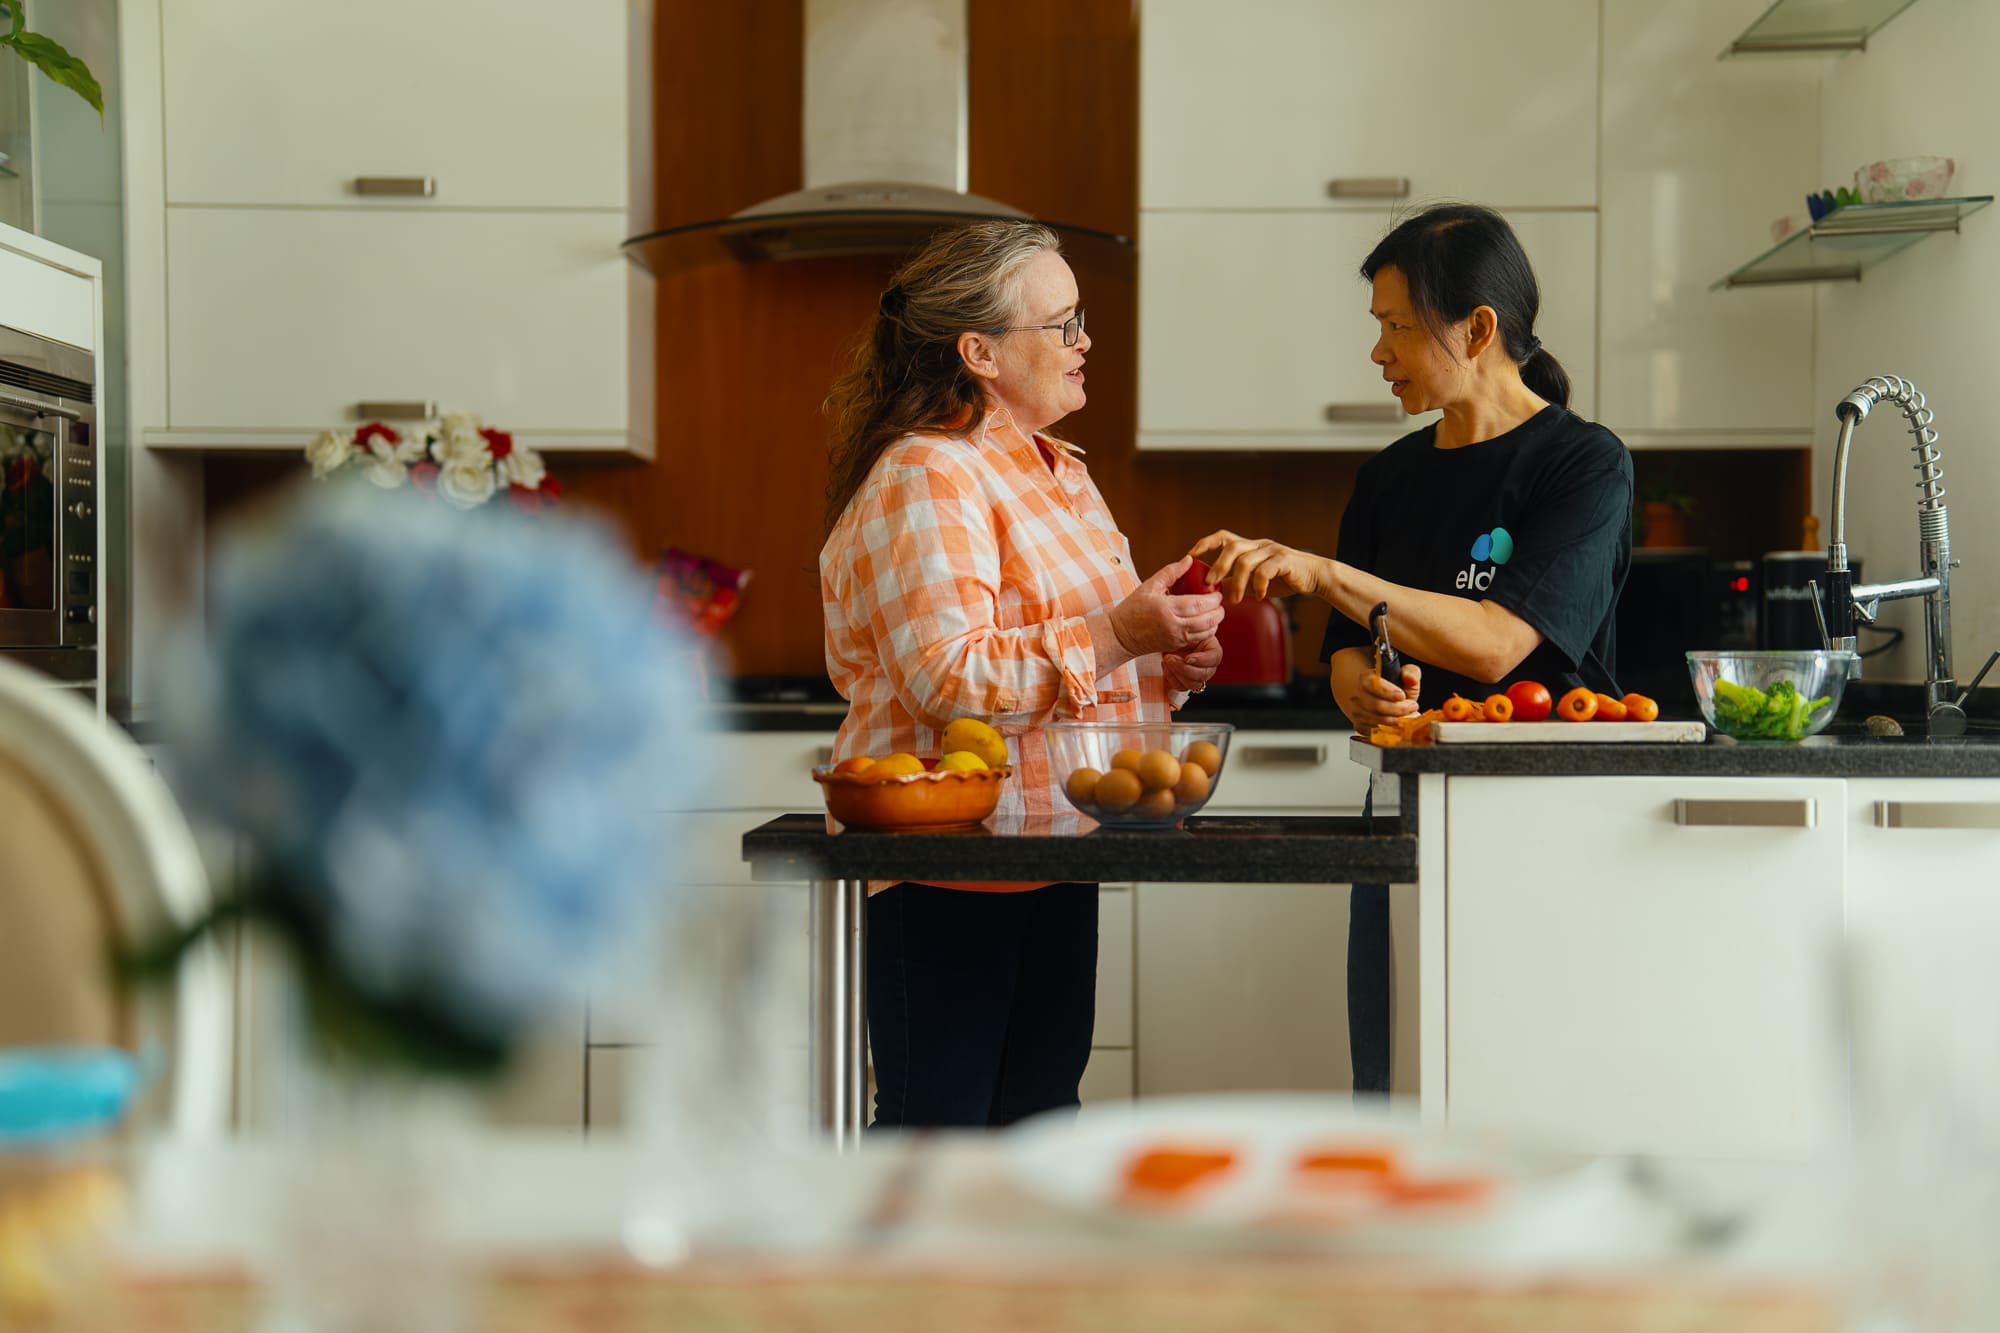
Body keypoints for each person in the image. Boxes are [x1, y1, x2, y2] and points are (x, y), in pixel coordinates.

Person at [1192, 203, 1633, 1094]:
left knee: (1527, 1073)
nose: (1378, 351)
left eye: (1396, 326)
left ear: (1478, 328)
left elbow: (1499, 644)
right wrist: (1361, 689)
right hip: (1404, 805)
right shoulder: (1388, 477)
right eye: (1378, 327)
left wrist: (1320, 571)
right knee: (1395, 1072)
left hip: (1542, 817)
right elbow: (1349, 651)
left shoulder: (1583, 465)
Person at [821, 220, 1225, 1129]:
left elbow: (1082, 661)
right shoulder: (928, 471)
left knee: (1041, 1124)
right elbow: (947, 677)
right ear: (980, 351)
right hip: (947, 865)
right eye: (1063, 323)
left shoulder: (1060, 473)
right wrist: (1121, 630)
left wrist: (1167, 659)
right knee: (940, 1134)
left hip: (1051, 848)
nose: (1086, 343)